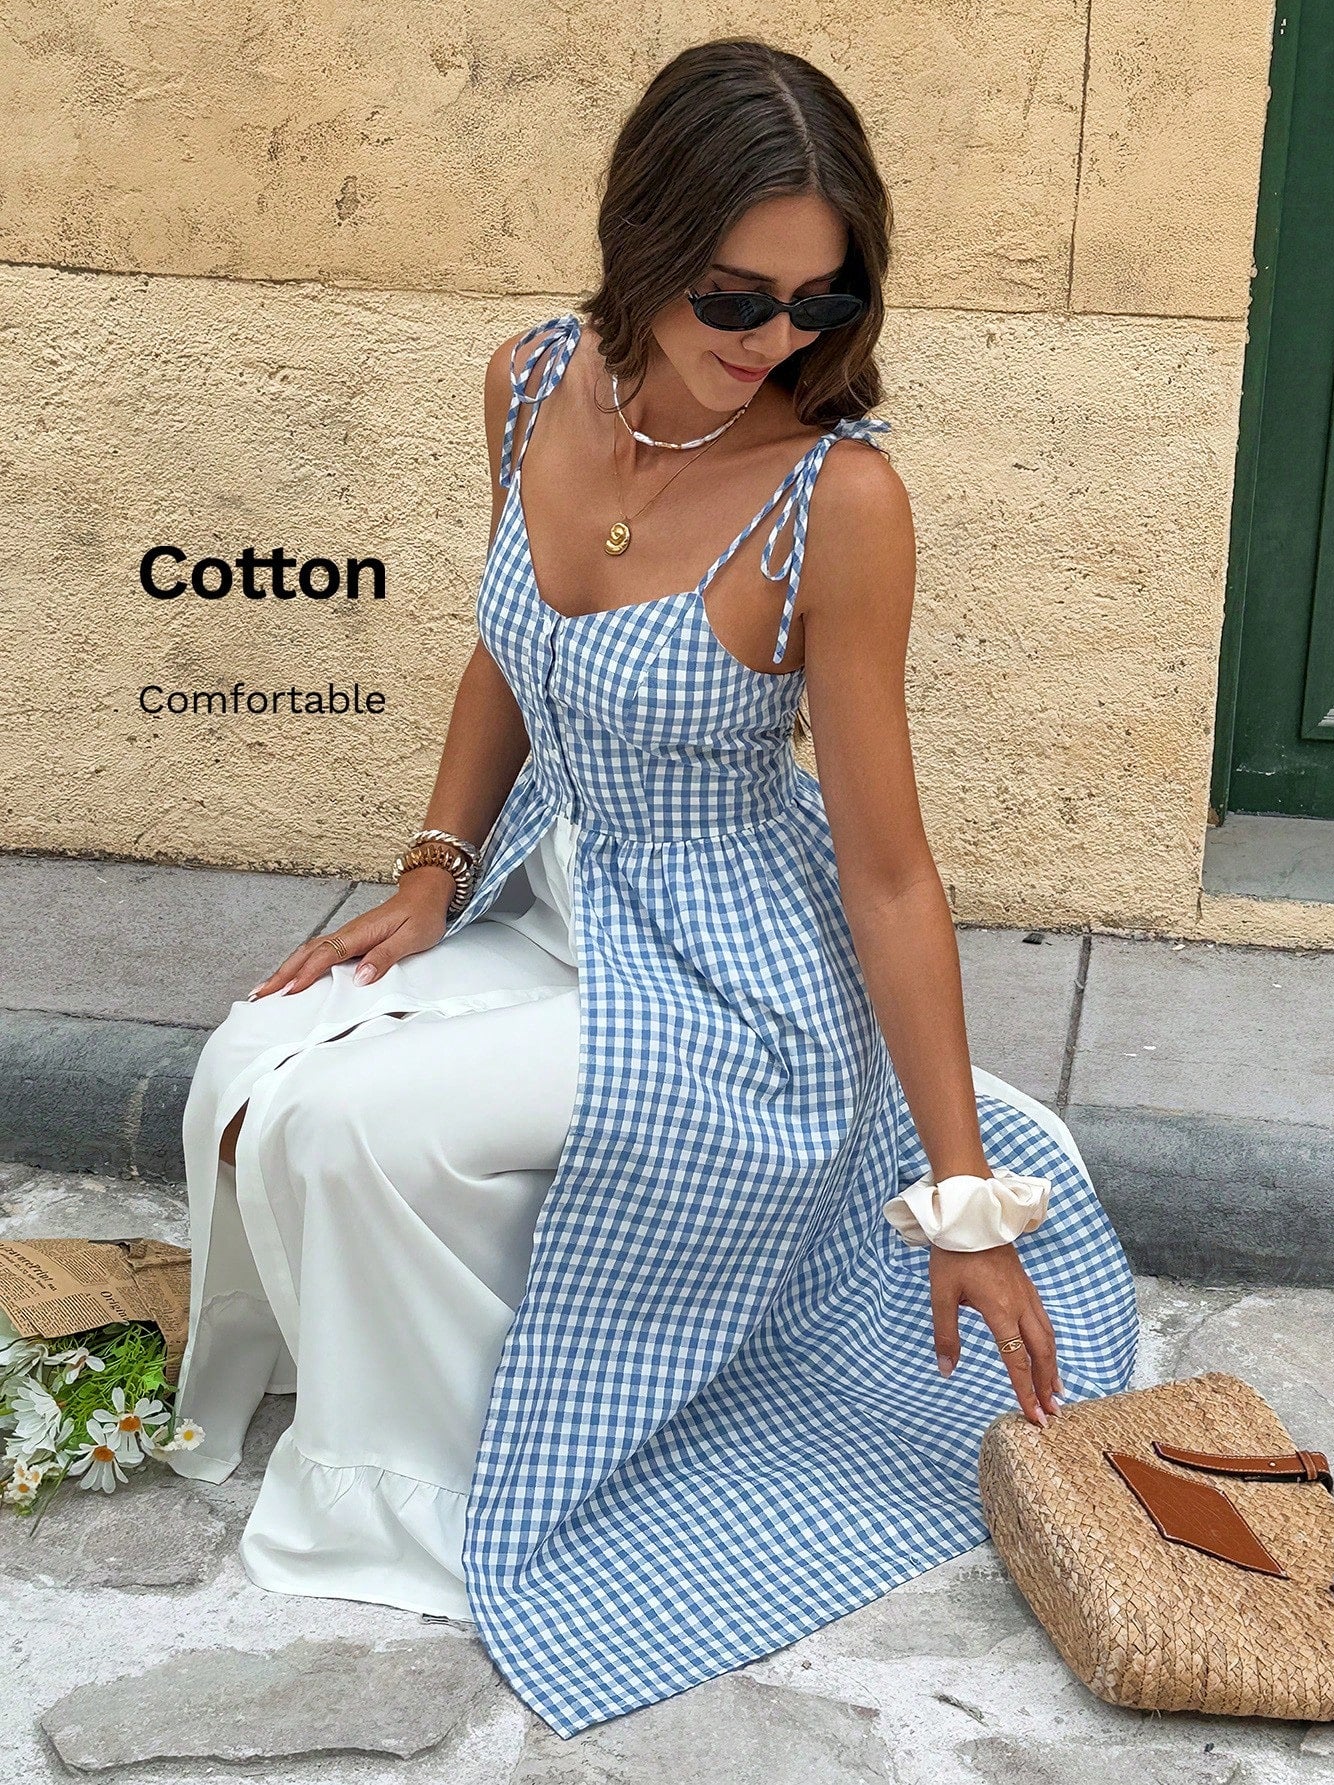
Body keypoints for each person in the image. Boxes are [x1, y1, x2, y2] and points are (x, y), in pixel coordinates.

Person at [167, 36, 1139, 1740]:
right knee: (252, 1063)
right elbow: (510, 636)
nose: (774, 339)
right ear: (644, 238)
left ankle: (447, 1483)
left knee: (356, 1128)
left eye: (821, 302)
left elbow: (889, 872)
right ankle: (446, 1375)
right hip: (552, 884)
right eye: (735, 295)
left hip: (732, 970)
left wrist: (963, 1200)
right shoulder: (532, 380)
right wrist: (430, 869)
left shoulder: (840, 499)